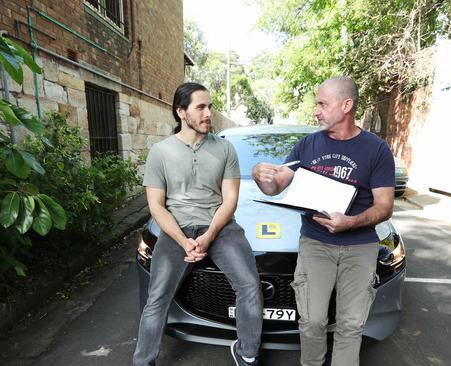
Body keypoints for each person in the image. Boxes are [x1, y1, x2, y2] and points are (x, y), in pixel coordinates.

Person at [252, 77, 395, 366]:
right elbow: (277, 184)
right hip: (316, 244)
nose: (316, 111)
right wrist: (261, 177)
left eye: (322, 104)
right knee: (312, 321)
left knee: (351, 325)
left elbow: (385, 207)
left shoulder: (376, 150)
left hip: (360, 246)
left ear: (346, 105)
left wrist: (351, 222)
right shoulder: (307, 145)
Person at [133, 82, 263, 366]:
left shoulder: (225, 148)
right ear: (181, 112)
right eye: (200, 107)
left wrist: (209, 235)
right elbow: (156, 205)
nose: (208, 114)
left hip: (221, 227)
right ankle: (143, 361)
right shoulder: (160, 152)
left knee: (249, 285)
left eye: (210, 107)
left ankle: (247, 353)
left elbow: (230, 199)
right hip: (176, 229)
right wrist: (183, 241)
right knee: (157, 297)